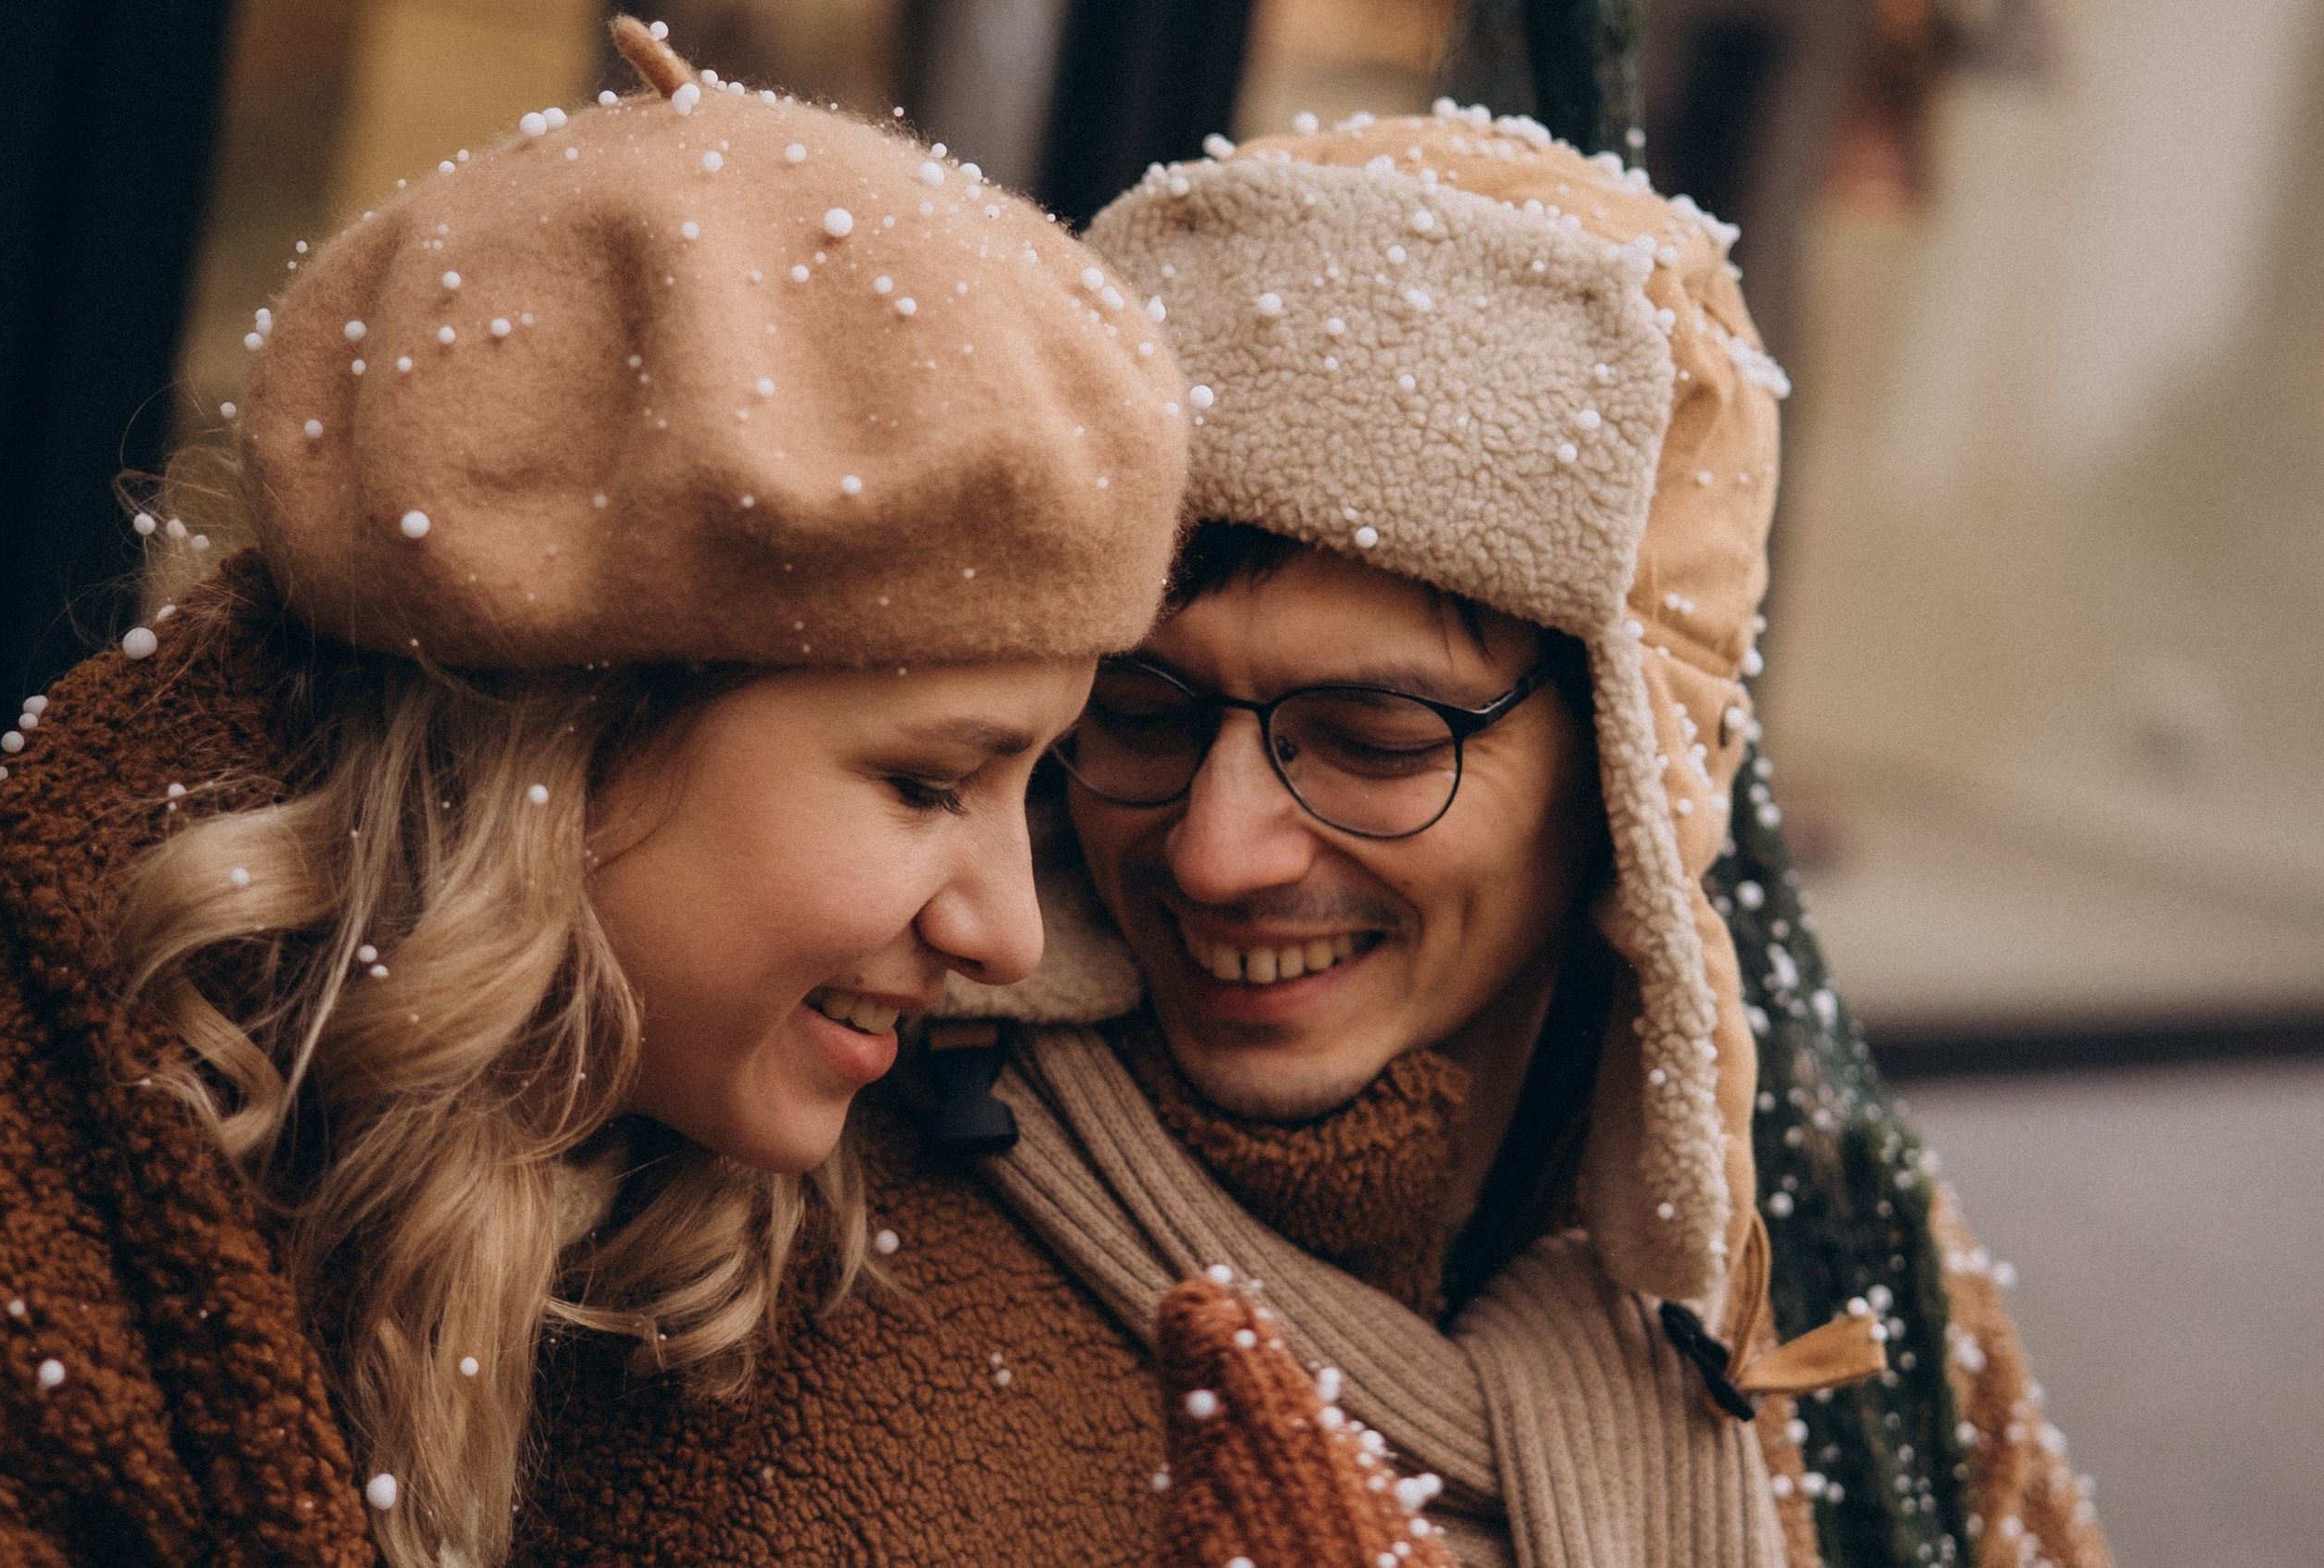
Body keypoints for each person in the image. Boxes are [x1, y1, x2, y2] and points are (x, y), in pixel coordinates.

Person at [516, 107, 2113, 1568]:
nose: (1219, 854)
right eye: (1137, 715)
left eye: (1373, 742)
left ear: (1634, 783)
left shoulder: (1844, 1276)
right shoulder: (772, 1249)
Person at [0, 21, 1186, 1568]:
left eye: (1035, 782)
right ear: (556, 743)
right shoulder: (39, 1246)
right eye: (927, 783)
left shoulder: (772, 1249)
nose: (1011, 933)